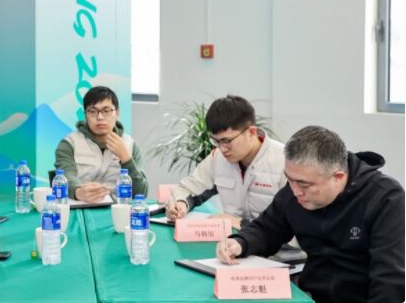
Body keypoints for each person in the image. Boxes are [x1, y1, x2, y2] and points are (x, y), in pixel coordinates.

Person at [216, 126, 405, 303]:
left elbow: (389, 279)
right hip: (310, 295)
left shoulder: (385, 199)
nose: (295, 191)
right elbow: (268, 229)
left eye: (304, 185)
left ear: (338, 177)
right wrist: (240, 243)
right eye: (289, 179)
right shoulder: (295, 191)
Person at [166, 95, 286, 230]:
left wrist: (240, 223)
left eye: (227, 141)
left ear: (251, 132)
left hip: (273, 244)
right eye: (216, 141)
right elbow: (187, 188)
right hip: (231, 241)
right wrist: (180, 203)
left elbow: (292, 226)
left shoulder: (284, 161)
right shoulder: (218, 158)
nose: (222, 149)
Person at [55, 86, 148, 202]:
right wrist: (78, 191)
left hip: (118, 208)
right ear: (85, 115)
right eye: (92, 111)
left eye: (106, 111)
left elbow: (141, 193)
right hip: (81, 207)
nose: (100, 117)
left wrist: (126, 158)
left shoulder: (130, 145)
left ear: (117, 113)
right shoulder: (69, 143)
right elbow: (66, 176)